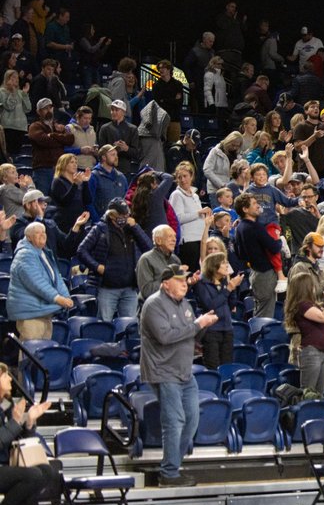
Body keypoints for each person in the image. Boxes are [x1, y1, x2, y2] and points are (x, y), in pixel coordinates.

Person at [141, 265, 220, 486]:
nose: (185, 284)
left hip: (185, 371)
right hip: (164, 371)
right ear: (166, 283)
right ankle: (169, 473)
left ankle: (173, 465)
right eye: (179, 280)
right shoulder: (154, 305)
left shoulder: (184, 304)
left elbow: (191, 334)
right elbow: (165, 337)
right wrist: (197, 324)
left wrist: (204, 324)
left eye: (185, 280)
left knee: (192, 420)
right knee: (174, 421)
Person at [0, 362, 55, 505]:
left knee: (47, 472)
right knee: (33, 475)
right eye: (5, 375)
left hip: (5, 465)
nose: (10, 379)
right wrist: (15, 423)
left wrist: (29, 423)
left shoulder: (5, 406)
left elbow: (17, 441)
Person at [76, 199, 153, 321]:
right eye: (122, 215)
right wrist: (97, 267)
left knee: (129, 326)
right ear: (112, 215)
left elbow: (149, 249)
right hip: (107, 287)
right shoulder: (100, 229)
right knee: (104, 324)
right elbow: (81, 250)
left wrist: (136, 227)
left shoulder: (131, 229)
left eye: (127, 214)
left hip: (130, 287)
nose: (125, 218)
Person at [8, 222, 73, 340]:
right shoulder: (25, 255)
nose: (42, 235)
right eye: (38, 233)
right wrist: (58, 298)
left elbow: (57, 278)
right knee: (30, 349)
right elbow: (36, 282)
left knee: (44, 349)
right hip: (30, 314)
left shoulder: (44, 253)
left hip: (44, 311)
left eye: (44, 232)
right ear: (29, 237)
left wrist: (66, 296)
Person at [284, 270, 324, 395]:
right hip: (311, 351)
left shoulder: (313, 305)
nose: (315, 287)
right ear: (306, 287)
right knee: (308, 392)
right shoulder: (302, 305)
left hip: (323, 352)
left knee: (320, 393)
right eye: (312, 284)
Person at [231, 193, 283, 319]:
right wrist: (279, 239)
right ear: (245, 209)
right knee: (265, 315)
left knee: (260, 311)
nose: (258, 206)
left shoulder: (239, 227)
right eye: (254, 204)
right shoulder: (255, 227)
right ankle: (260, 332)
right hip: (264, 274)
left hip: (254, 273)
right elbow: (274, 247)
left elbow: (240, 254)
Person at [193, 251, 241, 369]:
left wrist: (233, 288)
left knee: (227, 366)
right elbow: (210, 305)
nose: (227, 265)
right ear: (214, 266)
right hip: (211, 331)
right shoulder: (201, 283)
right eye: (223, 263)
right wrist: (228, 289)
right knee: (213, 366)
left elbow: (231, 304)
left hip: (227, 329)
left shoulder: (224, 282)